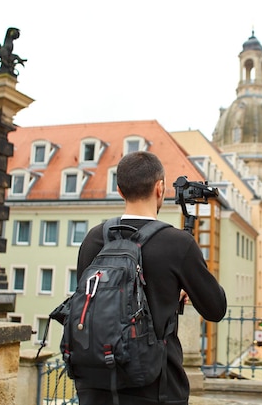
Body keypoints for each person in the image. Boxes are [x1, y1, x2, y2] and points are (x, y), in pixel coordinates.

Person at [74, 151, 227, 405]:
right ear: (160, 189)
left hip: (97, 388)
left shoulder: (95, 238)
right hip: (158, 388)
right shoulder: (177, 243)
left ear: (120, 190)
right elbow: (216, 309)